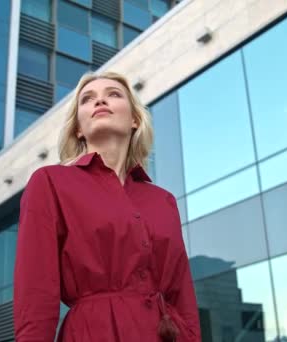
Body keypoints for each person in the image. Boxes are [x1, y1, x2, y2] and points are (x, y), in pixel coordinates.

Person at [13, 71, 201, 342]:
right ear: (78, 127)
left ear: (135, 119)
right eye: (88, 99)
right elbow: (36, 290)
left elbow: (182, 294)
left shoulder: (164, 201)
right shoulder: (50, 183)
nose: (100, 101)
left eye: (113, 94)